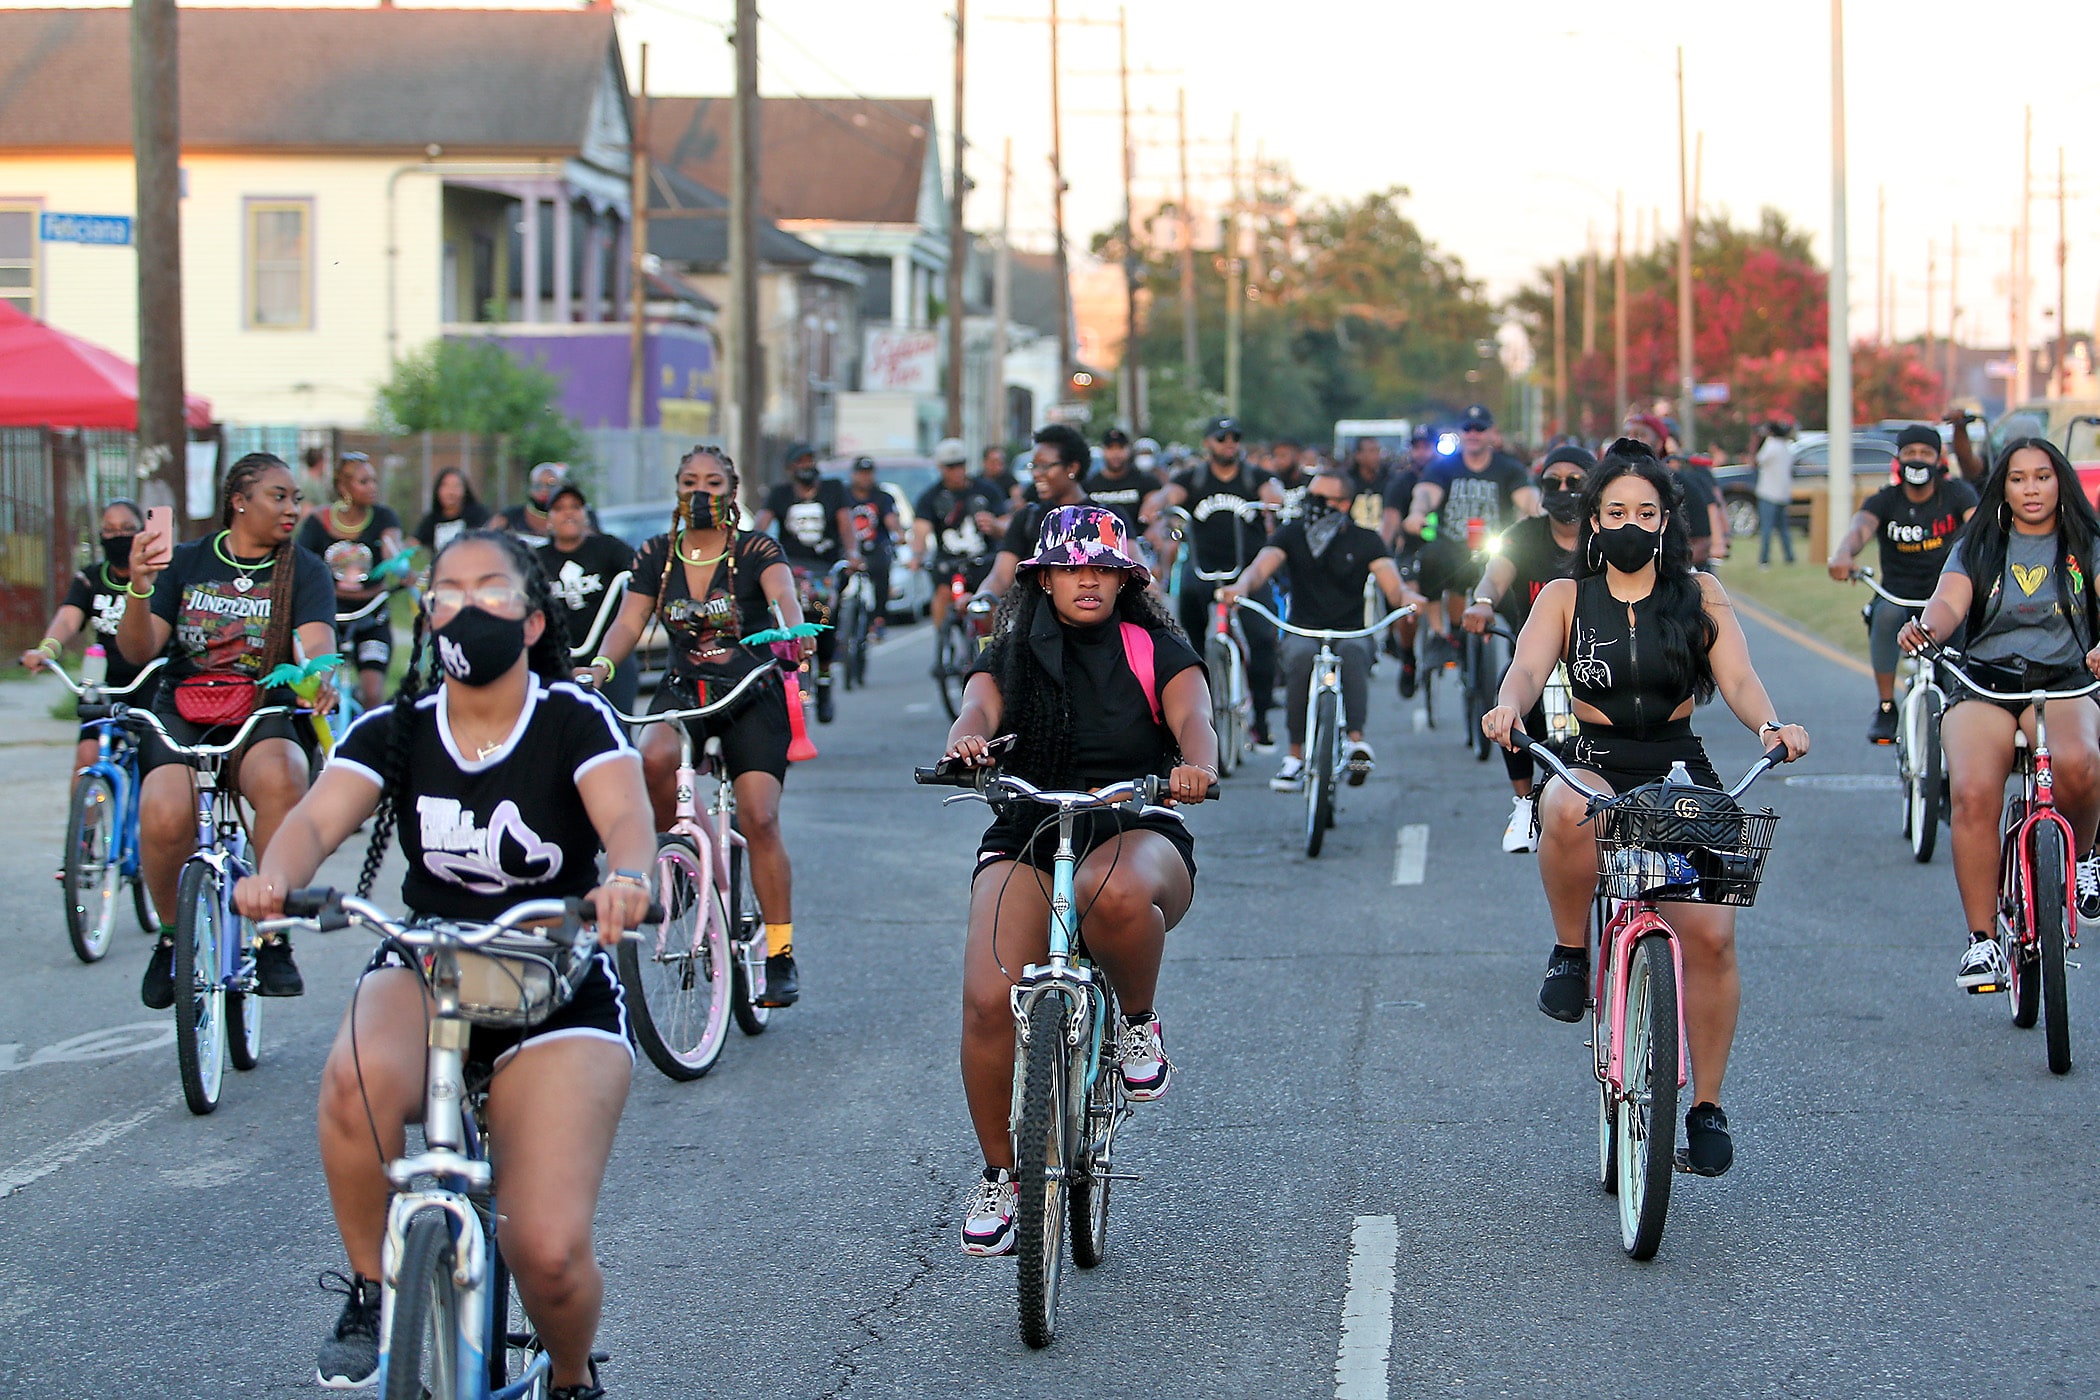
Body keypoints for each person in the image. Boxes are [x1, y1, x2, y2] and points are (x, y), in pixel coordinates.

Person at [233, 530, 653, 1399]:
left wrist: (628, 879)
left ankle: (571, 1379)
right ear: (427, 613)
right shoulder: (397, 729)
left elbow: (624, 818)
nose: (467, 606)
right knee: (352, 1082)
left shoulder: (574, 718)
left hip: (558, 981)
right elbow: (316, 821)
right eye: (449, 590)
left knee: (545, 1252)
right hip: (433, 962)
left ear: (534, 621)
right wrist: (276, 875)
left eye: (491, 589)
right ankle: (372, 1288)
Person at [1483, 439, 1810, 1178]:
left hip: (1676, 761)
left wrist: (1771, 726)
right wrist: (1508, 707)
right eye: (1616, 510)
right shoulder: (1566, 597)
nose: (1632, 522)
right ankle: (1572, 951)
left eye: (1647, 511)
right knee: (1566, 806)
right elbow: (1529, 666)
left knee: (1714, 940)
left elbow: (1738, 677)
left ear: (1667, 520)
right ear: (1593, 521)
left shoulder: (1702, 594)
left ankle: (1707, 1105)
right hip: (1597, 761)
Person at [940, 504, 1217, 1256]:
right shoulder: (1013, 649)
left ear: (1125, 578)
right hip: (1029, 827)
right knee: (987, 999)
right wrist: (967, 739)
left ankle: (1135, 1023)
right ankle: (1002, 1173)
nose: (1088, 579)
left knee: (1113, 890)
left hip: (1137, 825)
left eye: (1103, 567)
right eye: (1072, 567)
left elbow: (1196, 718)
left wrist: (1197, 765)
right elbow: (978, 704)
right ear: (1045, 578)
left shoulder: (1156, 645)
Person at [592, 447, 812, 1007]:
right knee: (652, 756)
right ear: (678, 489)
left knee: (759, 817)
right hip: (684, 690)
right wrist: (601, 664)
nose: (701, 492)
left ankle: (779, 954)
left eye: (713, 482)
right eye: (690, 482)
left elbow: (784, 596)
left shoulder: (756, 548)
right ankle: (687, 862)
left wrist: (794, 629)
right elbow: (630, 619)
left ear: (732, 492)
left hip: (750, 690)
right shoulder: (656, 554)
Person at [118, 452, 338, 1009]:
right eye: (278, 496)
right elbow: (138, 650)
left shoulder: (304, 569)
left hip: (263, 708)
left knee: (284, 774)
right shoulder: (187, 562)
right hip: (185, 707)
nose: (292, 508)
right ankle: (172, 939)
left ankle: (272, 933)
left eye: (295, 498)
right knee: (165, 811)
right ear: (239, 500)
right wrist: (141, 587)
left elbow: (316, 644)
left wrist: (320, 679)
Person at [1897, 438, 2100, 981]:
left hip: (2063, 681)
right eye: (2017, 479)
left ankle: (2080, 862)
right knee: (1971, 793)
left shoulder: (2087, 541)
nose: (2031, 489)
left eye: (2042, 476)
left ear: (2060, 481)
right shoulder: (1979, 544)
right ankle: (1982, 939)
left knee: (2080, 762)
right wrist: (1928, 627)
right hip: (1985, 683)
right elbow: (1948, 601)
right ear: (2002, 488)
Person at [1219, 468, 1420, 790]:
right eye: (1311, 497)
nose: (1311, 504)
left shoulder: (1366, 540)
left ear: (1343, 504)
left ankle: (1356, 741)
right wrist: (1240, 586)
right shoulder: (1291, 533)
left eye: (1320, 498)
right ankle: (1295, 757)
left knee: (1355, 654)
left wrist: (1408, 598)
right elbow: (1260, 567)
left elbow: (1392, 586)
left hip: (1350, 631)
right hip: (1303, 628)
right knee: (1299, 659)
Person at [1464, 444, 1594, 853]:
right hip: (1536, 661)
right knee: (1508, 699)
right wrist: (1483, 603)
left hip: (1599, 657)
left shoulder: (1607, 537)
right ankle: (1523, 802)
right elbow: (1494, 577)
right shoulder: (1523, 535)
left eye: (1575, 482)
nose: (1563, 489)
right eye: (1552, 482)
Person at [1827, 424, 1979, 742]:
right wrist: (1843, 554)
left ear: (1939, 459)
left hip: (1947, 597)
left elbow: (1978, 524)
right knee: (1882, 616)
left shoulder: (1957, 493)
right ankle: (1885, 706)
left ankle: (1959, 707)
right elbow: (1861, 528)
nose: (1918, 460)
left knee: (1960, 647)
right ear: (1899, 458)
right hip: (1897, 596)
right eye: (1910, 453)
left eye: (1926, 453)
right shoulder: (1885, 500)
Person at [1148, 416, 1283, 750]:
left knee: (1264, 639)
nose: (1229, 444)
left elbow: (1274, 492)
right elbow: (1167, 495)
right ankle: (1200, 681)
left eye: (1235, 438)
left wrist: (1276, 501)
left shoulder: (1254, 477)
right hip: (1204, 570)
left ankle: (1262, 718)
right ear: (1208, 442)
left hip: (1246, 573)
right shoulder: (1193, 478)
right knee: (1188, 635)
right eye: (1222, 438)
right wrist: (1157, 506)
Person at [23, 499, 159, 776]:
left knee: (154, 764)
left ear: (142, 531)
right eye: (109, 530)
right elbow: (68, 618)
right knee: (87, 758)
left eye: (127, 528)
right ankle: (85, 819)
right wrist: (47, 650)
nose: (118, 536)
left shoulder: (160, 578)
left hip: (153, 679)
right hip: (103, 681)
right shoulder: (90, 578)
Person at [1403, 403, 1538, 666]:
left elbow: (1528, 498)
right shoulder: (1443, 468)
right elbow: (1426, 494)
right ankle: (1439, 633)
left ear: (1491, 433)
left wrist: (1542, 513)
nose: (1473, 433)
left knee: (1518, 595)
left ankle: (1523, 654)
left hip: (1496, 549)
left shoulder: (1508, 468)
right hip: (1453, 546)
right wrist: (1417, 513)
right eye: (1468, 428)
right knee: (1430, 557)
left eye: (1480, 428)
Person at [294, 451, 405, 713]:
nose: (372, 488)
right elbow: (300, 561)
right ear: (344, 487)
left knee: (372, 692)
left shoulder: (383, 517)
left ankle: (368, 748)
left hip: (371, 615)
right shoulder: (317, 522)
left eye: (374, 481)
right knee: (318, 690)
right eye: (363, 482)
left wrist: (399, 564)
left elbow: (392, 547)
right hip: (326, 617)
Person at [756, 444, 860, 723]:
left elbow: (846, 526)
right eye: (800, 462)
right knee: (782, 620)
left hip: (825, 569)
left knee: (824, 623)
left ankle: (824, 680)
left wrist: (852, 554)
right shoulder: (779, 494)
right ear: (790, 469)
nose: (806, 466)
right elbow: (760, 527)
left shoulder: (833, 489)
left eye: (810, 460)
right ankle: (786, 677)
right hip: (791, 572)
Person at [537, 483, 641, 714]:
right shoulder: (538, 559)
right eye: (559, 508)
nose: (568, 513)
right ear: (549, 519)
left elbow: (643, 571)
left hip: (607, 654)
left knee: (617, 720)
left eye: (575, 506)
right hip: (557, 657)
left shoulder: (607, 547)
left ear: (586, 514)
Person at [977, 424, 1094, 598]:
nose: (1036, 474)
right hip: (1035, 622)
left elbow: (1136, 563)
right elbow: (1001, 574)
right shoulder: (1027, 518)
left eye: (1045, 466)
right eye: (1034, 466)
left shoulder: (1106, 517)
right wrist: (983, 596)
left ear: (1072, 468)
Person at [912, 441, 1006, 637]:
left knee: (988, 605)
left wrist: (995, 526)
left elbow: (1006, 522)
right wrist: (917, 556)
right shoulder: (930, 497)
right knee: (942, 596)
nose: (957, 471)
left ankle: (991, 647)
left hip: (984, 560)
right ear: (940, 467)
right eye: (950, 466)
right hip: (948, 563)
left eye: (960, 464)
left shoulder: (987, 490)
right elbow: (921, 530)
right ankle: (943, 649)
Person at [412, 466, 495, 556]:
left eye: (456, 486)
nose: (451, 492)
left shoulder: (478, 514)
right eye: (445, 486)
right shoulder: (431, 519)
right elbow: (414, 543)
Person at [1084, 427, 1149, 535]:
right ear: (1103, 450)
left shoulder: (1145, 481)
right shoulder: (1089, 484)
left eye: (1120, 448)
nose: (1115, 453)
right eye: (1110, 448)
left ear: (1128, 449)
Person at [1752, 418, 1798, 567]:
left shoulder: (1771, 445)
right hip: (1783, 493)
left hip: (1768, 492)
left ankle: (1764, 559)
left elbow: (1758, 460)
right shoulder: (1787, 447)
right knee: (1783, 529)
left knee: (1766, 529)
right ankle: (1789, 557)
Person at [498, 462, 571, 545]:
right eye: (538, 485)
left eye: (551, 485)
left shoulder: (571, 517)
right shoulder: (511, 516)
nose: (544, 490)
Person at [1344, 435, 1390, 534]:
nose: (1376, 456)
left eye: (1378, 451)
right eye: (1371, 451)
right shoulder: (1347, 481)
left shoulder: (1389, 479)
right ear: (1358, 455)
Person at [979, 443, 1022, 513]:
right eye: (993, 462)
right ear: (985, 462)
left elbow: (1017, 500)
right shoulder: (979, 480)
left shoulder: (1009, 480)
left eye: (1000, 462)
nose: (997, 465)